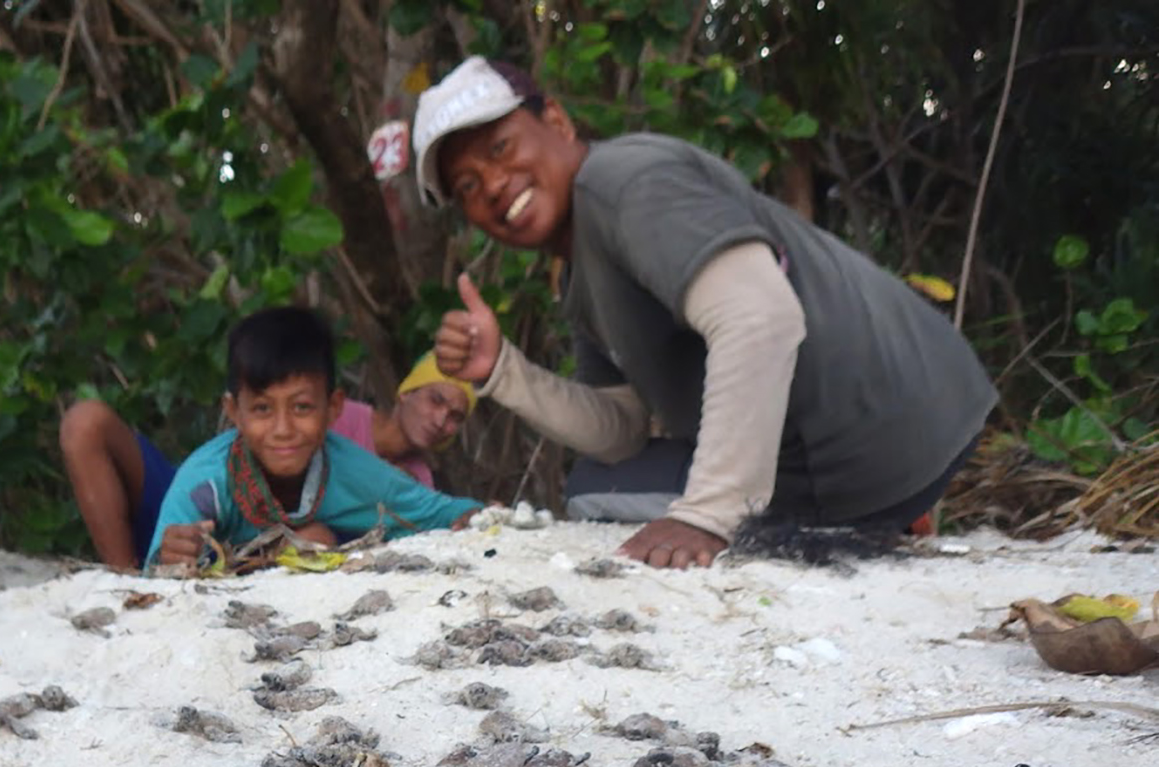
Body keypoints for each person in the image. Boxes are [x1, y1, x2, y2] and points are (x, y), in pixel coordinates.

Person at [411, 57, 997, 569]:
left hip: (867, 446)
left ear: (557, 121)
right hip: (904, 429)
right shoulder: (584, 265)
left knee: (593, 500)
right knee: (599, 481)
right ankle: (883, 509)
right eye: (466, 185)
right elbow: (619, 434)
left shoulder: (626, 184)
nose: (491, 184)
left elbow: (761, 317)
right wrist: (501, 371)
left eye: (500, 148)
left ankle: (872, 512)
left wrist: (708, 516)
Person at [59, 349, 475, 571]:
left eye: (457, 416)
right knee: (86, 422)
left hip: (249, 554)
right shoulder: (329, 417)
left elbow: (428, 523)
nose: (441, 419)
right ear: (406, 392)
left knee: (316, 535)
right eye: (436, 400)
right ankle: (125, 586)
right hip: (202, 513)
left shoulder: (416, 482)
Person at [144, 306, 484, 572]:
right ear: (234, 412)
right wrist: (170, 557)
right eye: (262, 409)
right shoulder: (204, 481)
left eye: (302, 407)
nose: (283, 428)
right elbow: (153, 582)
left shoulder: (356, 472)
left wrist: (481, 516)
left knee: (315, 540)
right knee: (312, 538)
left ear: (333, 407)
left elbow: (441, 512)